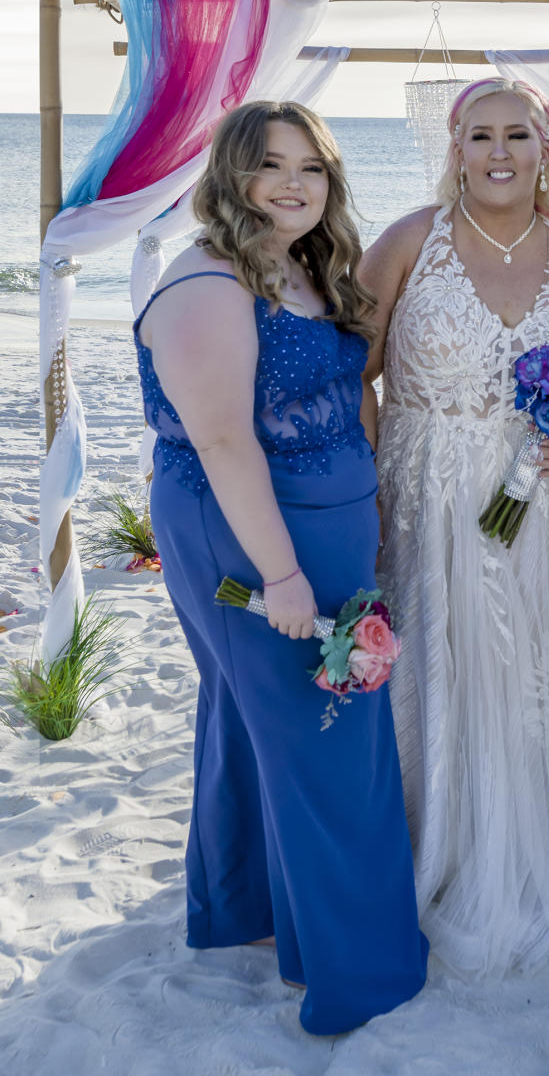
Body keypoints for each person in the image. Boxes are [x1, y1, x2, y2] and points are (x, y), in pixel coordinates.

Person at [133, 101, 428, 1035]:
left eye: (312, 165)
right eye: (270, 165)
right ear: (232, 176)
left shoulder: (299, 268)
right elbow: (222, 441)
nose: (294, 183)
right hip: (253, 541)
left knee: (255, 723)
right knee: (328, 738)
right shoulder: (207, 284)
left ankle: (244, 913)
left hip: (324, 529)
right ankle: (357, 969)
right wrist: (285, 577)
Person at [359, 78, 549, 978]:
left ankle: (527, 846)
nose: (499, 152)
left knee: (529, 670)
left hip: (540, 511)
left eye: (518, 134)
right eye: (480, 135)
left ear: (545, 148)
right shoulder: (407, 244)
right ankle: (432, 845)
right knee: (440, 663)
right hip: (426, 499)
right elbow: (353, 368)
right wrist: (371, 485)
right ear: (456, 147)